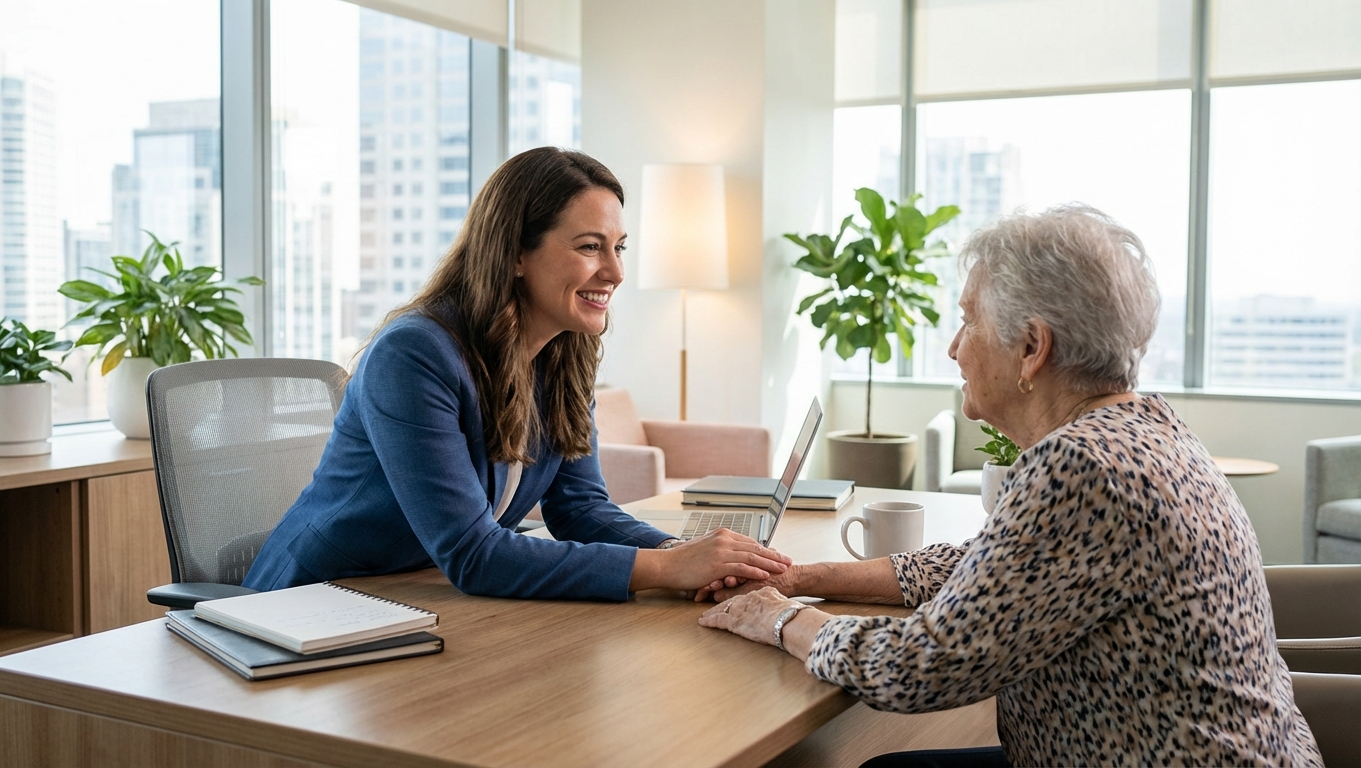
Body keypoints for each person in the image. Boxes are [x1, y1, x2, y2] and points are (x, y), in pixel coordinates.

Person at [698, 206, 1322, 767]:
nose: (953, 348)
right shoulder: (1147, 429)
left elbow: (919, 668)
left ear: (1031, 347)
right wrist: (806, 578)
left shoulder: (1084, 466)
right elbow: (988, 565)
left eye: (968, 321)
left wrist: (780, 619)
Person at [244, 147, 790, 600]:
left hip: (423, 596)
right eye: (589, 247)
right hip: (315, 603)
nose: (617, 272)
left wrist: (680, 555)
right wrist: (667, 572)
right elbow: (474, 554)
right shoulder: (412, 355)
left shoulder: (562, 352)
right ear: (514, 254)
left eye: (619, 248)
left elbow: (580, 508)